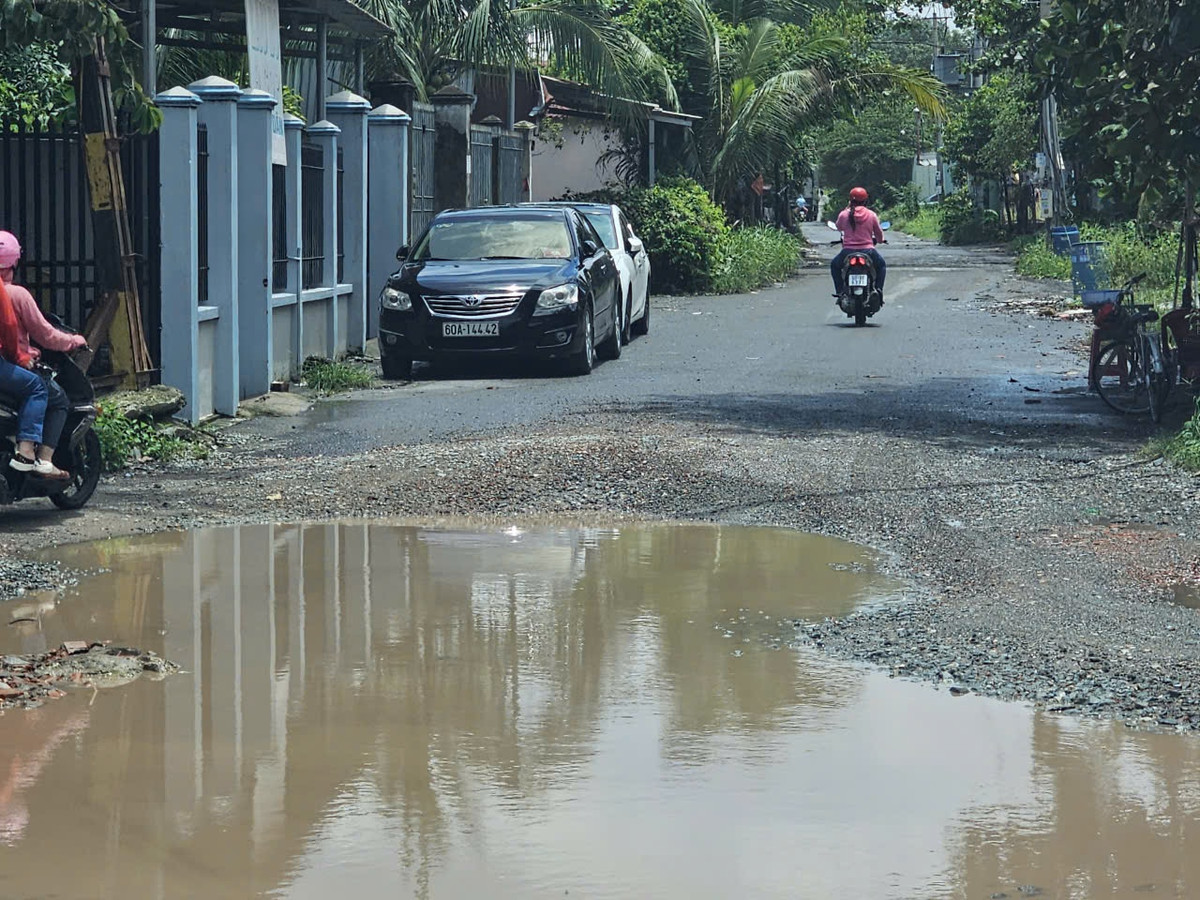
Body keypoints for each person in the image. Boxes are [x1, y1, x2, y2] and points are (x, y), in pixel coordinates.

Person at [0, 231, 85, 480]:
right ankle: (36, 456)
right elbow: (43, 335)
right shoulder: (15, 295)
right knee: (44, 392)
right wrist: (73, 341)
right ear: (14, 262)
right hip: (6, 364)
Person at [830, 186, 887, 302]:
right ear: (866, 200)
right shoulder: (871, 215)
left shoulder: (844, 214)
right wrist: (880, 240)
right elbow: (879, 235)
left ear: (850, 200)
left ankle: (840, 291)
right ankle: (878, 290)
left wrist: (846, 209)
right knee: (881, 266)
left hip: (847, 252)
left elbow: (838, 227)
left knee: (834, 266)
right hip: (868, 251)